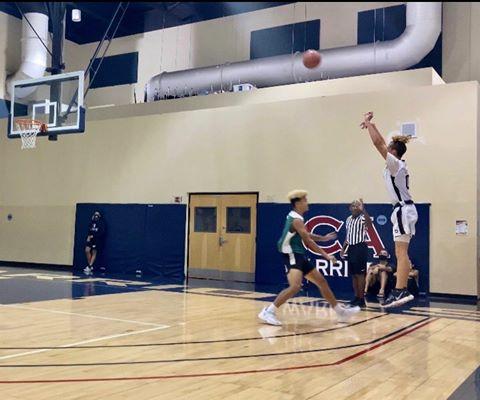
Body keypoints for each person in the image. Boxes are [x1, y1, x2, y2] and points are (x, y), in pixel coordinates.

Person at [258, 190, 361, 326]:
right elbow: (308, 242)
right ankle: (268, 311)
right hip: (291, 254)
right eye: (305, 200)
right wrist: (327, 256)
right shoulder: (296, 220)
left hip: (298, 253)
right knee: (295, 286)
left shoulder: (297, 218)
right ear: (298, 203)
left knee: (321, 281)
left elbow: (306, 234)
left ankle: (340, 312)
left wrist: (323, 238)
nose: (308, 202)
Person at [360, 111, 418, 308]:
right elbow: (383, 142)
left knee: (401, 253)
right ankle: (401, 290)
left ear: (392, 152)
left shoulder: (395, 164)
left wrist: (368, 124)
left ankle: (400, 291)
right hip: (404, 210)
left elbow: (378, 144)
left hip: (403, 210)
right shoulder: (397, 163)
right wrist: (372, 125)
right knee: (401, 252)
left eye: (388, 148)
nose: (386, 149)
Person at [340, 199, 373, 308]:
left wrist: (364, 210)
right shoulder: (348, 219)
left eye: (357, 206)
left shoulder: (362, 218)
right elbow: (348, 236)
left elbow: (370, 224)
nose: (355, 207)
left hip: (360, 248)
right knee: (353, 274)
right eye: (353, 206)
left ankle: (362, 299)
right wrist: (343, 248)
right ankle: (356, 297)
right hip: (351, 248)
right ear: (350, 208)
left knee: (360, 274)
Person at [83, 211, 106, 275]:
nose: (96, 216)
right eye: (95, 214)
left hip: (97, 240)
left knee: (94, 252)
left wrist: (94, 236)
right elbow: (89, 230)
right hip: (91, 239)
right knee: (87, 250)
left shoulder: (101, 223)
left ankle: (90, 266)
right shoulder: (92, 222)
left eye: (97, 214)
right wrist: (88, 236)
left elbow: (102, 232)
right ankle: (90, 266)